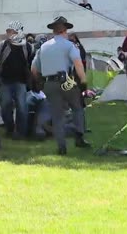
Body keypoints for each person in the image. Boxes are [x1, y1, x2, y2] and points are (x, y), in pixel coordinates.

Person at [31, 16, 91, 155]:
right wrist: (83, 82)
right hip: (66, 82)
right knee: (77, 107)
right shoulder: (69, 45)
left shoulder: (43, 47)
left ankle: (62, 147)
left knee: (57, 116)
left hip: (49, 83)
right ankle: (79, 137)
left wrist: (40, 81)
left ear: (53, 31)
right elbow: (78, 64)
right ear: (65, 31)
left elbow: (34, 70)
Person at [0, 21, 32, 140]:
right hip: (4, 81)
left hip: (21, 81)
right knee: (5, 106)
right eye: (8, 31)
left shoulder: (27, 47)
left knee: (22, 106)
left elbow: (30, 63)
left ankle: (21, 132)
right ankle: (9, 129)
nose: (8, 33)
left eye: (10, 31)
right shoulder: (3, 45)